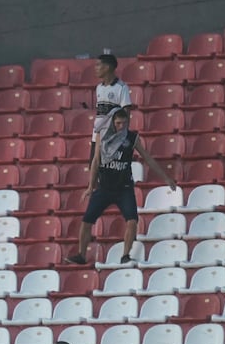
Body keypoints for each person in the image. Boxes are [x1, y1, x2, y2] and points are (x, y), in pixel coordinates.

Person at [65, 107, 177, 265]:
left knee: (132, 220)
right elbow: (96, 160)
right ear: (112, 122)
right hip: (104, 187)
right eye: (118, 123)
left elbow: (148, 158)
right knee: (86, 220)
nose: (121, 126)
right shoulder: (102, 136)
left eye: (124, 123)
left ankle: (125, 254)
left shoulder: (131, 138)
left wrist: (166, 178)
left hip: (124, 187)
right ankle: (81, 254)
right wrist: (90, 186)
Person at [90, 53, 133, 160]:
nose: (96, 68)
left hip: (112, 137)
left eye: (98, 65)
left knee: (109, 170)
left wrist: (122, 135)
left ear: (107, 67)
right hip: (97, 135)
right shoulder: (99, 87)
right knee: (94, 167)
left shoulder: (121, 87)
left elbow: (126, 111)